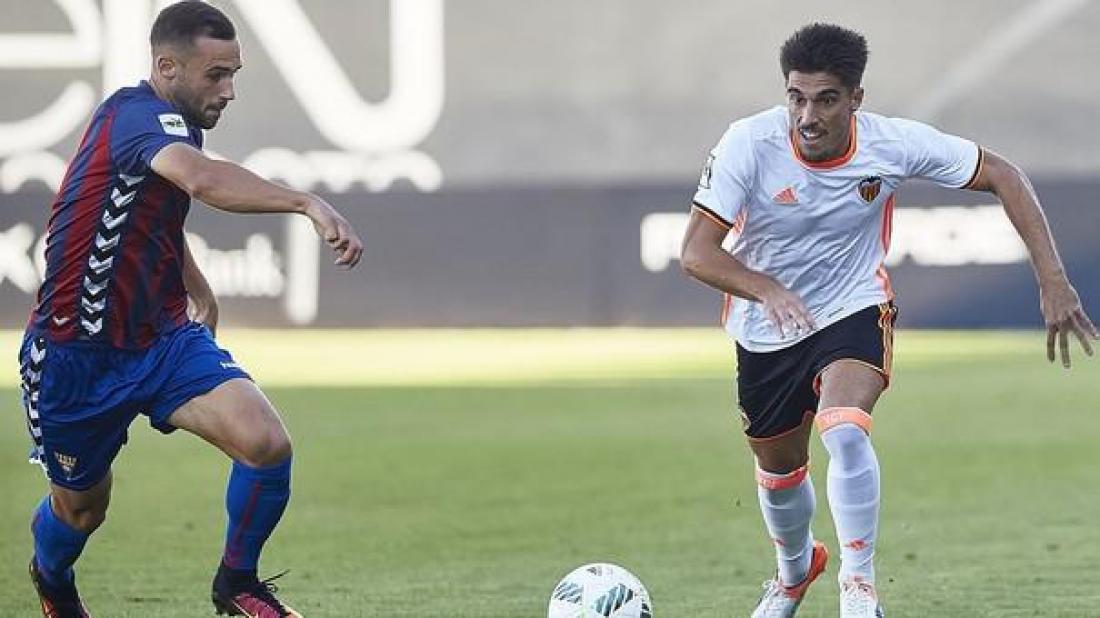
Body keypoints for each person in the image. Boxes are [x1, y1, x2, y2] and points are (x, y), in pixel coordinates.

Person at [680, 22, 1096, 618]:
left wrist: (1053, 280)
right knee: (779, 469)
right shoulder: (748, 143)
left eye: (826, 99)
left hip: (852, 307)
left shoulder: (891, 144)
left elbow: (1004, 174)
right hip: (767, 328)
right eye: (797, 98)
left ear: (856, 99)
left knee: (845, 427)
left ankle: (859, 588)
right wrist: (766, 288)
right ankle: (795, 573)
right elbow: (696, 253)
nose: (808, 117)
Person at [18, 2, 363, 617]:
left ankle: (238, 584)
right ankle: (51, 577)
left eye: (234, 74)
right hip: (76, 355)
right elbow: (202, 181)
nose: (229, 90)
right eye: (216, 75)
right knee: (82, 510)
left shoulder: (178, 127)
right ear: (167, 67)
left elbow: (152, 221)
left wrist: (199, 290)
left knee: (264, 443)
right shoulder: (132, 116)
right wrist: (306, 202)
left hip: (161, 339)